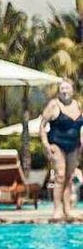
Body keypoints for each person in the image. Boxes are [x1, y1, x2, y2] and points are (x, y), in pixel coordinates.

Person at [40, 78, 83, 222]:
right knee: (60, 175)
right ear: (59, 91)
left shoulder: (77, 104)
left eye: (67, 88)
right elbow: (42, 125)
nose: (65, 91)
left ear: (73, 90)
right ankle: (57, 209)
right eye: (62, 88)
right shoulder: (54, 104)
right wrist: (46, 144)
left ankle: (68, 209)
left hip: (74, 145)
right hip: (57, 144)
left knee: (69, 178)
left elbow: (79, 126)